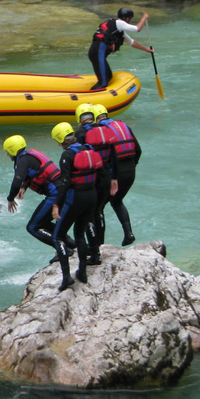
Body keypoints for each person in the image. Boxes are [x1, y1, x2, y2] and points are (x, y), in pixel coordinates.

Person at [50, 122, 107, 291]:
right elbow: (102, 175)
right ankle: (82, 271)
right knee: (80, 234)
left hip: (76, 198)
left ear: (61, 140)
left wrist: (56, 205)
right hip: (92, 196)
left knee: (58, 237)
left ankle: (66, 277)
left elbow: (65, 183)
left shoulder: (67, 156)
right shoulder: (89, 149)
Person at [3, 135, 76, 263]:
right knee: (43, 222)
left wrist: (10, 198)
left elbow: (16, 181)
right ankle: (69, 242)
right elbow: (35, 172)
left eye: (8, 152)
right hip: (63, 191)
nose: (7, 155)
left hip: (55, 194)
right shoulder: (29, 156)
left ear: (13, 150)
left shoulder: (22, 161)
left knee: (33, 227)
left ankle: (62, 248)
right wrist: (24, 187)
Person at [88, 104, 141, 246]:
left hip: (115, 174)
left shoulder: (101, 130)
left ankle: (99, 244)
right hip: (130, 171)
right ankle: (129, 233)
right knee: (117, 201)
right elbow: (138, 150)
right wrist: (131, 166)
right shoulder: (123, 126)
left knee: (98, 208)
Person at [74, 103, 112, 245]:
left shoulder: (80, 133)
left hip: (93, 179)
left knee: (88, 214)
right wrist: (114, 178)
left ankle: (93, 246)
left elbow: (79, 157)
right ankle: (101, 243)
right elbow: (112, 154)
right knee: (99, 211)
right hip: (107, 175)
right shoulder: (104, 129)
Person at [89, 7, 153, 90]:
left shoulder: (117, 29)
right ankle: (87, 99)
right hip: (97, 52)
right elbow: (137, 29)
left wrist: (146, 49)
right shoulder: (119, 23)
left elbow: (131, 42)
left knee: (109, 77)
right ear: (127, 18)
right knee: (103, 83)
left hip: (96, 52)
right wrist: (144, 17)